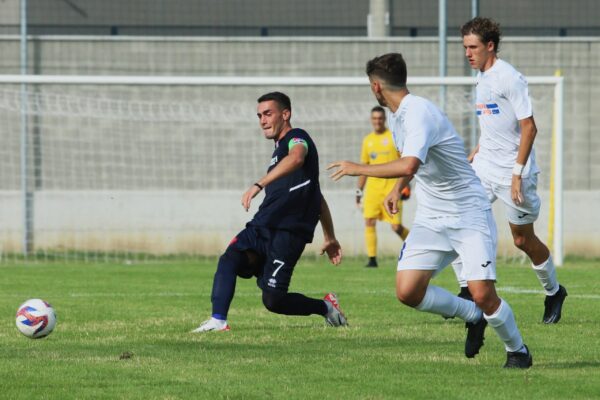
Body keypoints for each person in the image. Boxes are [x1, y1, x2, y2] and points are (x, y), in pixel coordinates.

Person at [328, 53, 532, 368]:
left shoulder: (417, 112)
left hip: (468, 213)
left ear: (376, 86)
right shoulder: (397, 117)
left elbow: (409, 162)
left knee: (482, 293)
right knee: (408, 291)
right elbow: (414, 162)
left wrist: (359, 168)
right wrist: (398, 187)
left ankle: (517, 351)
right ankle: (472, 317)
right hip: (432, 217)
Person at [192, 91, 346, 332]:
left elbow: (297, 158)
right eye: (259, 116)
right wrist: (330, 236)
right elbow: (317, 196)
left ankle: (326, 307)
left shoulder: (297, 138)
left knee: (273, 300)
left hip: (288, 234)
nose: (262, 120)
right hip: (262, 226)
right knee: (229, 259)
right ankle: (218, 320)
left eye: (268, 113)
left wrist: (258, 185)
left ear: (286, 114)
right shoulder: (277, 154)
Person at [454, 17, 567, 324]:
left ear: (490, 46)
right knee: (455, 215)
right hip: (485, 166)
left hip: (514, 172)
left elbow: (529, 127)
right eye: (464, 47)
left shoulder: (509, 78)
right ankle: (467, 290)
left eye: (473, 47)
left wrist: (517, 173)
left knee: (522, 240)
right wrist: (479, 147)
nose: (468, 53)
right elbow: (493, 121)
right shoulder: (481, 77)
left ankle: (554, 291)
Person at [356, 106, 411, 268]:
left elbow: (406, 162)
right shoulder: (367, 140)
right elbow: (364, 167)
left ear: (384, 120)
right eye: (374, 118)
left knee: (396, 226)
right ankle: (372, 260)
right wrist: (359, 191)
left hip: (391, 188)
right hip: (373, 188)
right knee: (369, 221)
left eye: (380, 118)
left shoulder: (393, 137)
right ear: (371, 120)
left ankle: (415, 247)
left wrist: (406, 186)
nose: (377, 121)